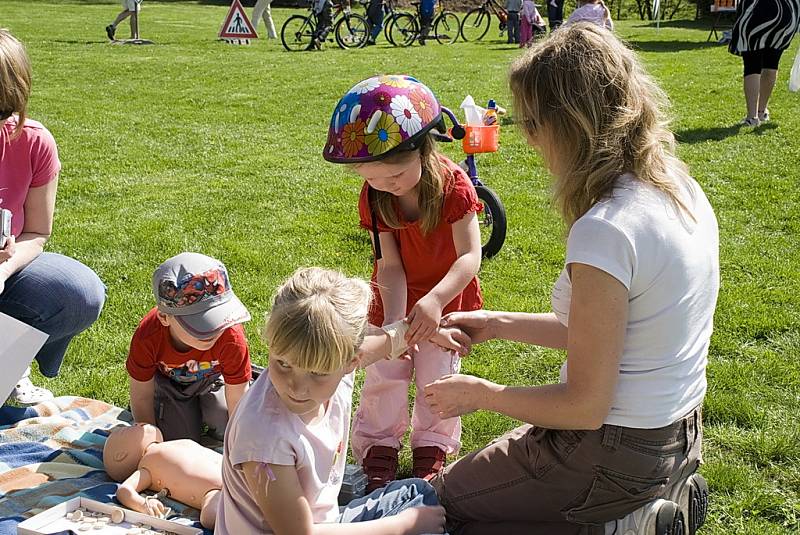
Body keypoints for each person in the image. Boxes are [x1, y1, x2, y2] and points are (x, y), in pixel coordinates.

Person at [424, 23, 718, 535]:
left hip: (610, 450)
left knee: (443, 508)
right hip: (674, 434)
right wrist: (496, 322)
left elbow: (583, 407)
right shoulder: (679, 188)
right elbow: (605, 336)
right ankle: (643, 501)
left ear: (572, 124)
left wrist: (480, 393)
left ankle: (615, 523)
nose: (530, 139)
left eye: (532, 123)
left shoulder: (607, 228)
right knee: (467, 485)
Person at [215, 267, 468, 534]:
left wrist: (425, 333)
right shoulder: (264, 437)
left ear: (351, 362)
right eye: (283, 364)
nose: (297, 387)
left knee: (416, 492)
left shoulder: (337, 360)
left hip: (324, 523)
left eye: (317, 373)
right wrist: (401, 526)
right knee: (418, 520)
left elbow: (387, 340)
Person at [323, 74, 484, 492]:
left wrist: (434, 302)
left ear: (421, 147)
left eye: (393, 177)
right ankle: (379, 447)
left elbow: (470, 256)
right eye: (373, 178)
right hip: (396, 296)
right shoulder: (375, 195)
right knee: (385, 369)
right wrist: (395, 324)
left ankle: (432, 446)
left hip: (445, 298)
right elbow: (388, 264)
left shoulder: (453, 187)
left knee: (437, 371)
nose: (385, 186)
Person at [0, 29, 105, 405]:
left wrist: (4, 267)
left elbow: (37, 232)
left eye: (2, 113)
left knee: (77, 291)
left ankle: (7, 366)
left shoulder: (32, 141)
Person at [127, 252, 252, 442]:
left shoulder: (230, 334)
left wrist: (240, 445)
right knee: (176, 440)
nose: (212, 331)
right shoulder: (148, 336)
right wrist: (150, 443)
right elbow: (141, 395)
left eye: (218, 318)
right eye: (201, 323)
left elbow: (237, 397)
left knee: (231, 424)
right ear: (164, 317)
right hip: (170, 385)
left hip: (212, 379)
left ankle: (249, 379)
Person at [103, 423, 222, 529]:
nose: (138, 424)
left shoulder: (170, 443)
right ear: (121, 455)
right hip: (215, 491)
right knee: (210, 517)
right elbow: (124, 491)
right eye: (127, 430)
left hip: (233, 471)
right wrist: (143, 504)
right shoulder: (146, 467)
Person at [728, 0, 800, 126]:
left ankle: (752, 117)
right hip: (787, 13)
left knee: (752, 66)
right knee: (772, 64)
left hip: (757, 10)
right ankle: (762, 112)